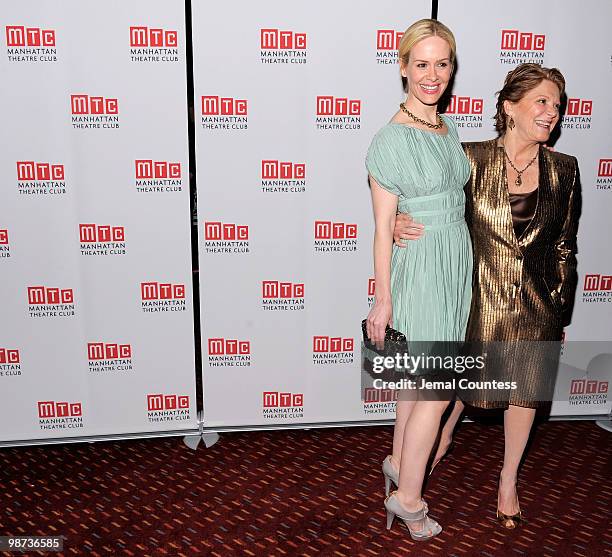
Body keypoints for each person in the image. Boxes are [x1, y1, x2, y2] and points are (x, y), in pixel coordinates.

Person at [393, 63, 581, 528]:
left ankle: (508, 478)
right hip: (474, 298)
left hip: (535, 303)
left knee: (524, 393)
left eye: (556, 105)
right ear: (509, 107)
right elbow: (431, 204)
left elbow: (564, 247)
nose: (550, 112)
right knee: (456, 388)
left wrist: (558, 312)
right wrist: (398, 222)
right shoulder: (470, 158)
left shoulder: (564, 168)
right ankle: (441, 439)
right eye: (541, 101)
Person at [364, 19, 472, 541]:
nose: (433, 75)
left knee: (415, 385)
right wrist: (382, 300)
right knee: (436, 390)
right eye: (422, 64)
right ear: (403, 67)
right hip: (423, 269)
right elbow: (384, 228)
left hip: (454, 264)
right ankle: (409, 499)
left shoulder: (444, 128)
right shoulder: (390, 139)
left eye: (442, 64)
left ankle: (396, 462)